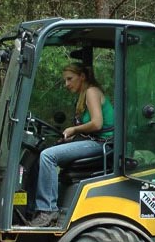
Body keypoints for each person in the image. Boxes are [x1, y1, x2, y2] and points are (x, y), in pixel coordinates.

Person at [29, 62, 113, 227]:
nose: (67, 84)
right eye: (65, 80)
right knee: (41, 156)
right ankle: (34, 209)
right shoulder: (83, 95)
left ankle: (48, 210)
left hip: (102, 144)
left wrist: (74, 129)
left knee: (48, 156)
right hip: (93, 141)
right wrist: (70, 137)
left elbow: (97, 124)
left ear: (82, 77)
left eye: (70, 79)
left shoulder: (91, 92)